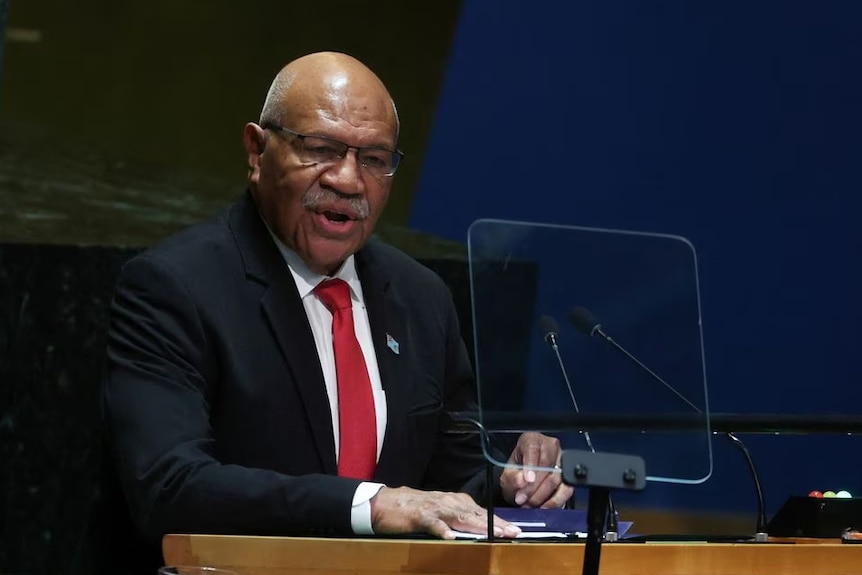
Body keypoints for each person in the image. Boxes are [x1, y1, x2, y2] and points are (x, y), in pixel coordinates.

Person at [80, 51, 573, 575]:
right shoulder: (174, 285)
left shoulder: (420, 296)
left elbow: (452, 478)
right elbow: (168, 485)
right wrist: (374, 505)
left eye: (375, 159)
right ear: (256, 150)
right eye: (321, 149)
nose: (348, 180)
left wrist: (508, 480)